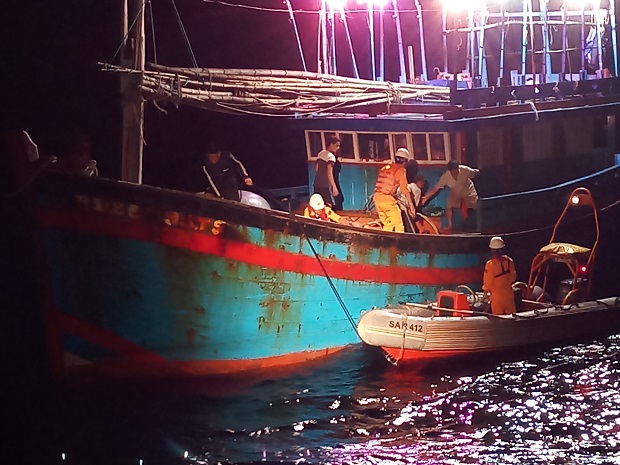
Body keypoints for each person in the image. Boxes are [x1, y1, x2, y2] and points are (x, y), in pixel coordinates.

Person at [422, 159, 479, 231]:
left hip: (468, 189)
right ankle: (450, 225)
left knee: (475, 206)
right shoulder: (446, 176)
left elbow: (475, 172)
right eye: (452, 171)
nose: (454, 173)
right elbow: (436, 188)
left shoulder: (465, 170)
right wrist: (426, 197)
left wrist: (480, 172)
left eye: (455, 170)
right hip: (456, 191)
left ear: (458, 168)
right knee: (449, 205)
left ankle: (479, 224)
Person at [373, 148, 416, 232]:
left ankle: (385, 243)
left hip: (377, 199)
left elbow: (388, 183)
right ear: (405, 162)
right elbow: (405, 189)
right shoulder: (400, 170)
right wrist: (411, 206)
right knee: (398, 226)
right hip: (387, 201)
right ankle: (399, 244)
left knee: (388, 225)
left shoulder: (385, 168)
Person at [482, 236, 517, 315]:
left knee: (499, 319)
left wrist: (484, 295)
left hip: (497, 299)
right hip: (509, 297)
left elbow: (487, 284)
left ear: (491, 250)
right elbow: (513, 278)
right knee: (512, 318)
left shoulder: (490, 264)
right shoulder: (509, 261)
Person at [314, 135, 340, 207]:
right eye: (337, 146)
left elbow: (316, 168)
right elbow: (329, 173)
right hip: (325, 185)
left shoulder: (321, 153)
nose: (338, 148)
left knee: (319, 204)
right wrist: (334, 187)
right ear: (331, 144)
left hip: (317, 183)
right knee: (329, 204)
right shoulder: (331, 156)